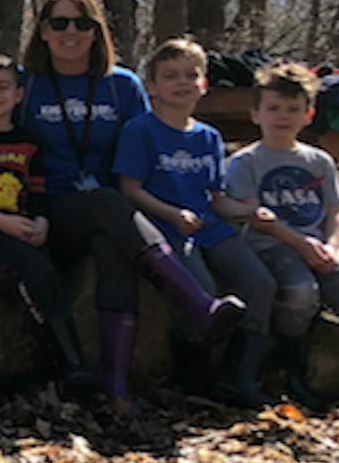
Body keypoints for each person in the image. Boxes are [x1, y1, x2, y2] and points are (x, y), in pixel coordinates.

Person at [22, 0, 244, 413]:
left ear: (96, 31)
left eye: (82, 23)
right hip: (52, 211)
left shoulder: (121, 86)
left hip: (116, 216)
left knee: (111, 246)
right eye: (59, 23)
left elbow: (151, 145)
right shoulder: (26, 85)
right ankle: (198, 305)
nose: (71, 32)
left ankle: (116, 382)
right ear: (44, 32)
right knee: (106, 203)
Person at [227, 62, 339, 409]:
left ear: (308, 115)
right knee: (300, 295)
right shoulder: (245, 162)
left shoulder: (319, 161)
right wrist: (302, 244)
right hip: (272, 246)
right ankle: (292, 372)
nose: (283, 117)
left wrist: (331, 246)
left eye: (293, 109)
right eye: (273, 108)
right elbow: (258, 218)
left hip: (319, 247)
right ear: (255, 114)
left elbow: (335, 211)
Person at [115, 37, 281, 408]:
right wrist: (172, 214)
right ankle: (194, 380)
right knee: (201, 288)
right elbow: (130, 189)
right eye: (171, 76)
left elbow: (217, 200)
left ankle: (239, 377)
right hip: (164, 227)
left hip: (209, 227)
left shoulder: (209, 137)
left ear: (204, 84)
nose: (182, 82)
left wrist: (247, 212)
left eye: (191, 75)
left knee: (260, 282)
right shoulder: (140, 130)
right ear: (152, 87)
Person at [0, 55, 96, 396]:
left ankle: (65, 365)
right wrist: (4, 224)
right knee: (35, 267)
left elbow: (39, 191)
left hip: (26, 224)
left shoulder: (30, 141)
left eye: (2, 87)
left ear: (18, 95)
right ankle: (71, 364)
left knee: (50, 265)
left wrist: (40, 221)